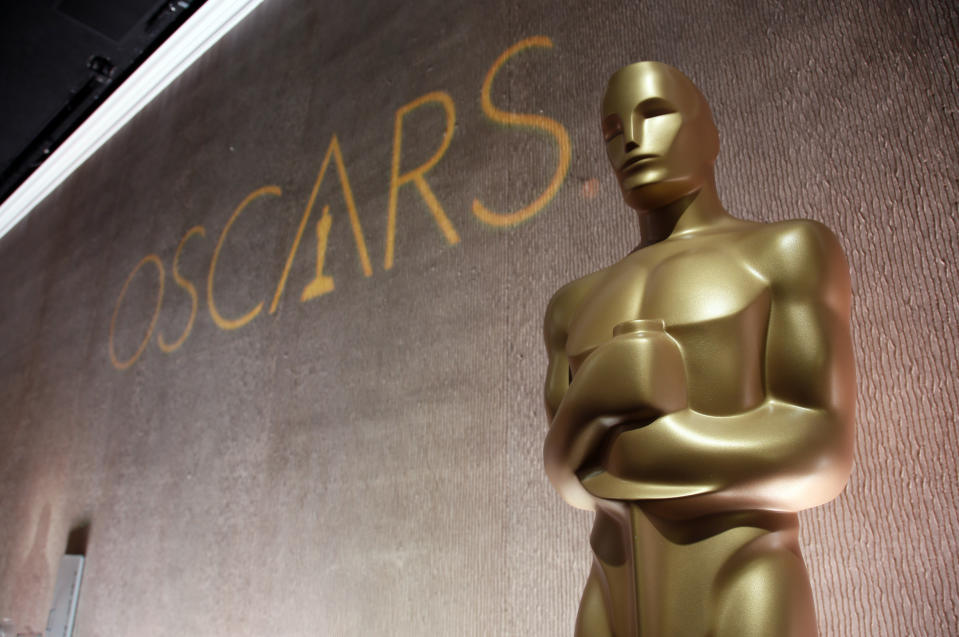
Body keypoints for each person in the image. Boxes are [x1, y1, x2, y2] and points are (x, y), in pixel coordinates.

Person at [542, 62, 856, 637]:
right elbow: (563, 475)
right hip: (609, 599)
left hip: (743, 586)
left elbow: (822, 449)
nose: (632, 140)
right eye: (613, 131)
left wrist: (658, 441)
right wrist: (607, 384)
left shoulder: (784, 252)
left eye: (654, 114)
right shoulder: (572, 306)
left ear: (709, 133)